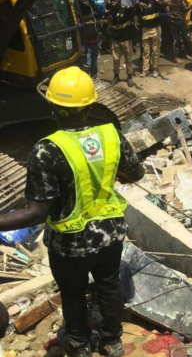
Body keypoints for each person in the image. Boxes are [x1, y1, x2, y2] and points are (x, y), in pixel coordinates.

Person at [0, 67, 144, 357]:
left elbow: (36, 213)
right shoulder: (111, 135)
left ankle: (78, 343)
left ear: (52, 105)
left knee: (74, 294)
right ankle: (111, 341)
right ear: (90, 105)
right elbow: (136, 173)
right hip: (110, 234)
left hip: (70, 243)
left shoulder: (46, 150)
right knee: (109, 285)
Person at [107, 0, 135, 87]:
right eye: (112, 1)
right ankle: (116, 76)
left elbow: (133, 11)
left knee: (128, 58)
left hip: (126, 38)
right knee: (116, 59)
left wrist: (136, 5)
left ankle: (129, 77)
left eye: (114, 1)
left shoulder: (125, 9)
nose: (112, 2)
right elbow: (107, 22)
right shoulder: (110, 11)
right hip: (115, 38)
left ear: (119, 2)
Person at [138, 0, 167, 77]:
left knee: (155, 51)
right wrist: (138, 3)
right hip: (145, 30)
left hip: (155, 29)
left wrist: (162, 2)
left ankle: (155, 69)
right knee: (146, 51)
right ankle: (145, 70)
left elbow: (164, 6)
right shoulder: (140, 3)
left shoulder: (155, 2)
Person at [78, 0, 100, 79]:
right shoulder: (78, 16)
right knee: (86, 65)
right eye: (83, 1)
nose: (86, 2)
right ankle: (85, 82)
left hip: (95, 43)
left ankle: (94, 79)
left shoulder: (93, 13)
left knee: (94, 63)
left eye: (87, 0)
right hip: (85, 45)